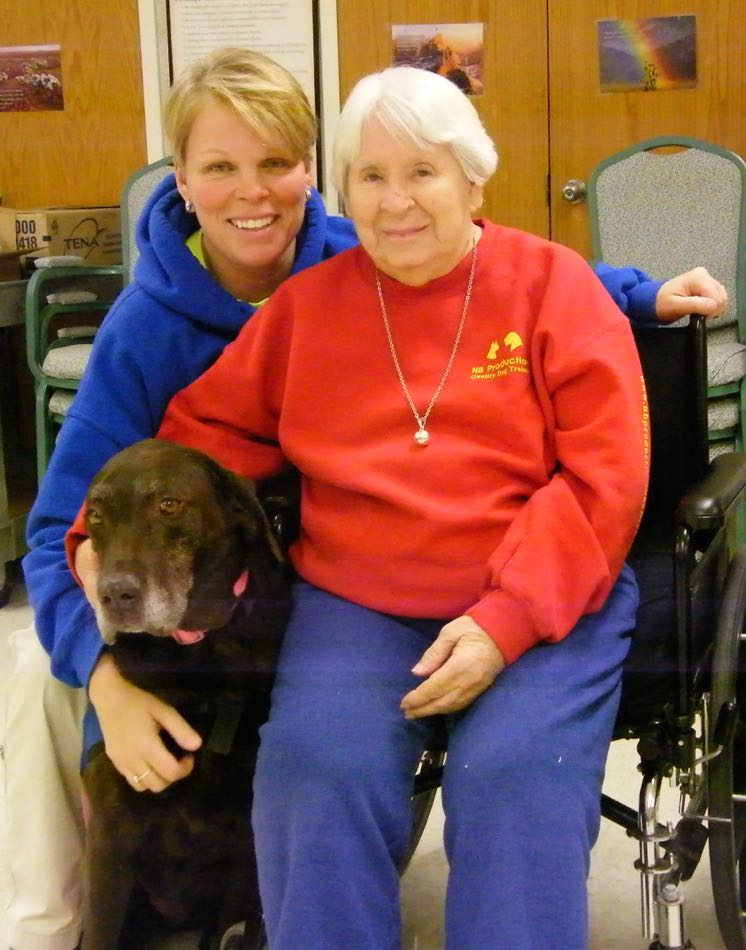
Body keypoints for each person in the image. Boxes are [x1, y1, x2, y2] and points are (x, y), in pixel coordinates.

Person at [6, 43, 727, 950]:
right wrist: (91, 537)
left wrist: (504, 622)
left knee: (514, 775)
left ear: (473, 180)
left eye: (422, 171)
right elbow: (183, 444)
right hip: (359, 600)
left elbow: (603, 481)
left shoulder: (554, 290)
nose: (395, 199)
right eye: (372, 176)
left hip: (548, 596)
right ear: (343, 191)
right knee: (315, 770)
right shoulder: (309, 309)